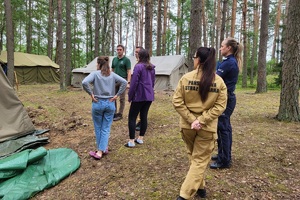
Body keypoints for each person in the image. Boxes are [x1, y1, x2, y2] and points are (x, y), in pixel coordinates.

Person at [172, 47, 227, 199]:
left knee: (195, 157)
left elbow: (177, 101)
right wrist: (200, 121)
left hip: (188, 126)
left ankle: (195, 190)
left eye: (194, 57)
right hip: (207, 127)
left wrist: (193, 120)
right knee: (199, 159)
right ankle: (187, 193)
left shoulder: (186, 78)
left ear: (199, 60)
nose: (193, 59)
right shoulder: (219, 81)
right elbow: (220, 106)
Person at [82, 56, 127, 159]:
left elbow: (84, 82)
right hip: (110, 104)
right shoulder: (112, 75)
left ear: (99, 65)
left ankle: (99, 152)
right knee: (106, 128)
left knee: (98, 127)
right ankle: (104, 147)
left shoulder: (95, 74)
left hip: (97, 103)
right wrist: (117, 95)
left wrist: (91, 94)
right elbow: (124, 82)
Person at [210, 37, 243, 169]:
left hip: (227, 98)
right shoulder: (228, 61)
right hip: (226, 98)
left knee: (223, 128)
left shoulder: (229, 63)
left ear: (229, 48)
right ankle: (222, 154)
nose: (220, 48)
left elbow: (215, 78)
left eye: (222, 46)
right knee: (223, 127)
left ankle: (225, 160)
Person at [124, 49, 155, 148]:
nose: (136, 55)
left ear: (140, 56)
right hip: (149, 96)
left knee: (132, 117)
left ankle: (131, 141)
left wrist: (130, 95)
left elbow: (134, 83)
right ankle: (140, 138)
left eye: (137, 54)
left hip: (139, 96)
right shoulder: (151, 68)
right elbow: (153, 82)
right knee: (144, 116)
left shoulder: (138, 67)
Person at [111, 44, 132, 121]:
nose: (119, 51)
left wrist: (128, 82)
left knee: (122, 98)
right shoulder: (114, 59)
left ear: (123, 51)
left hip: (123, 80)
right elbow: (112, 70)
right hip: (114, 81)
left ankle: (120, 114)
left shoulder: (126, 60)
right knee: (113, 97)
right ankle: (114, 112)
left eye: (120, 50)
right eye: (118, 49)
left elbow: (129, 71)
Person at [134, 46, 144, 131]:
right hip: (138, 90)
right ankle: (139, 121)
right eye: (135, 52)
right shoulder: (137, 63)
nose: (136, 54)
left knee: (142, 108)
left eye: (137, 52)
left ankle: (141, 122)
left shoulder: (144, 64)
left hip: (142, 90)